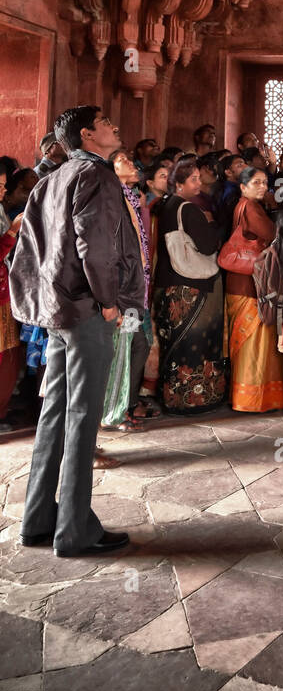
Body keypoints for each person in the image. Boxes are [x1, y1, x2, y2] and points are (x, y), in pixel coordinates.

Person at [10, 105, 144, 557]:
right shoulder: (97, 176)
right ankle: (75, 531)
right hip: (86, 309)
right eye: (107, 122)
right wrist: (109, 301)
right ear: (88, 134)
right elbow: (95, 245)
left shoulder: (52, 178)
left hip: (57, 309)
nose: (115, 126)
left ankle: (38, 522)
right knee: (84, 417)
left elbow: (28, 250)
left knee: (55, 414)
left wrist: (43, 301)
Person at [152, 158, 226, 413]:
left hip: (170, 285)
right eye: (192, 179)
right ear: (179, 184)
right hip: (193, 288)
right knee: (197, 344)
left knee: (176, 346)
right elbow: (207, 245)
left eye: (199, 177)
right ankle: (197, 399)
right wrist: (213, 224)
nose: (199, 183)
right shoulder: (189, 209)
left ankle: (174, 398)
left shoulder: (166, 205)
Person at [224, 167, 283, 412]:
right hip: (249, 283)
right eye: (256, 183)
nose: (262, 187)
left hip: (239, 280)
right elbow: (272, 234)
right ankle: (252, 399)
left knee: (247, 342)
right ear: (242, 186)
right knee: (255, 343)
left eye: (264, 182)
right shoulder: (251, 207)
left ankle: (245, 397)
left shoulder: (242, 205)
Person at [104, 150, 159, 430]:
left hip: (136, 289)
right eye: (123, 160)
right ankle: (114, 410)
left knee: (138, 345)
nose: (132, 164)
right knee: (127, 348)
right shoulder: (112, 198)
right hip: (122, 293)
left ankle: (124, 404)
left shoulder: (130, 196)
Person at [0, 168, 23, 433]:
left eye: (4, 186)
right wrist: (12, 233)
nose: (4, 190)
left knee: (8, 356)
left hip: (5, 293)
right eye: (0, 185)